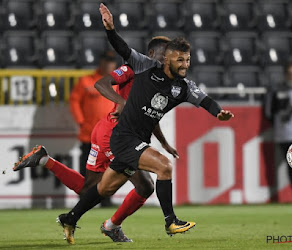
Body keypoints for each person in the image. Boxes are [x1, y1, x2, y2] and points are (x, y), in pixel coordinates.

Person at [52, 3, 234, 243]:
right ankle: (171, 221)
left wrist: (219, 112)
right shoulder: (145, 66)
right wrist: (110, 29)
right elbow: (123, 48)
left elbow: (205, 100)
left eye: (188, 60)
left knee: (103, 189)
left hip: (138, 139)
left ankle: (71, 218)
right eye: (180, 60)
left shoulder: (183, 87)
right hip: (123, 137)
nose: (185, 65)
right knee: (164, 166)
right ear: (167, 59)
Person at [13, 36, 176, 244]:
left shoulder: (157, 80)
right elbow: (102, 84)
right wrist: (122, 102)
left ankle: (45, 160)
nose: (167, 62)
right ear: (151, 55)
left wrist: (163, 142)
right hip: (114, 135)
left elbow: (150, 115)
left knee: (88, 189)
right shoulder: (133, 69)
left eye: (169, 58)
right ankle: (111, 226)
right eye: (164, 57)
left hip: (109, 131)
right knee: (144, 186)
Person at [69, 50, 117, 179]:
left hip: (109, 135)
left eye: (111, 62)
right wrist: (80, 121)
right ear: (100, 62)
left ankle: (106, 198)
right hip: (89, 133)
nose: (108, 64)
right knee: (87, 167)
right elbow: (74, 101)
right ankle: (85, 196)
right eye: (106, 60)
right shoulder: (86, 81)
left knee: (108, 169)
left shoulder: (117, 83)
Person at [264, 62, 292, 201]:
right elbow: (269, 112)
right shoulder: (277, 91)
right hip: (285, 134)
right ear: (285, 75)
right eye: (290, 74)